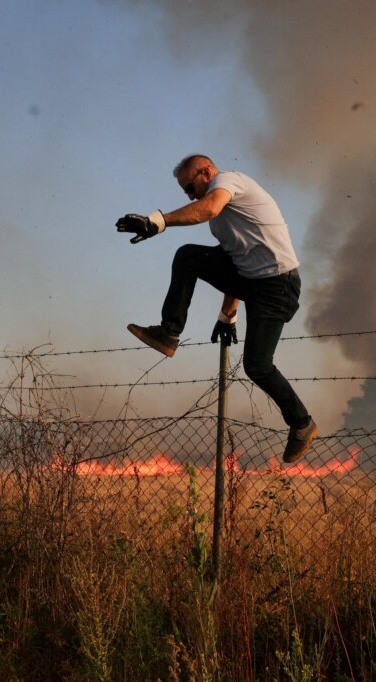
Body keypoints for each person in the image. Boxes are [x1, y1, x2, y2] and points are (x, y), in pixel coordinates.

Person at [116, 154, 317, 463]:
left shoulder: (228, 181)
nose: (189, 196)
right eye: (185, 191)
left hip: (277, 286)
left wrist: (157, 222)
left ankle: (302, 424)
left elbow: (208, 207)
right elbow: (236, 263)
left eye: (190, 187)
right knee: (188, 257)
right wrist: (228, 315)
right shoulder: (220, 221)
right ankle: (169, 333)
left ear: (207, 172)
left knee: (257, 366)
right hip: (252, 281)